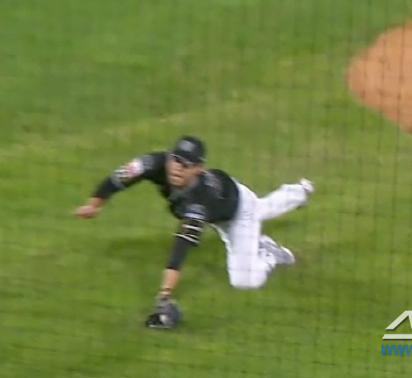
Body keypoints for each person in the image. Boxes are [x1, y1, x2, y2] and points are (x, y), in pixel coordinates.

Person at [75, 135, 314, 328]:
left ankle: (270, 253)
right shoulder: (155, 163)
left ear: (198, 169)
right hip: (225, 197)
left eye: (186, 164)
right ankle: (299, 192)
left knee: (245, 280)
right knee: (264, 209)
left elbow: (180, 247)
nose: (177, 168)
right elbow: (121, 177)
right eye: (175, 159)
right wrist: (95, 204)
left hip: (238, 212)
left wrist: (164, 294)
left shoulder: (199, 201)